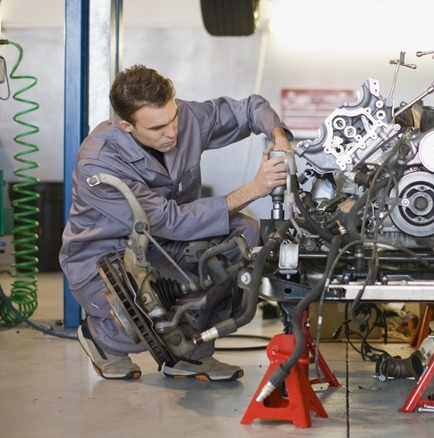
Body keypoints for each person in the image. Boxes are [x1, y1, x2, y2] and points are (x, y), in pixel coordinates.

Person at [59, 65, 293, 381]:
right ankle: (102, 338)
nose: (172, 132)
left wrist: (279, 136)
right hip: (109, 256)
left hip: (169, 245)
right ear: (127, 125)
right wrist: (254, 189)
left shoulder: (182, 118)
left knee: (243, 233)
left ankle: (190, 353)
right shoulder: (99, 160)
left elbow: (249, 109)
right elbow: (167, 220)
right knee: (143, 322)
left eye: (173, 118)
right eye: (157, 128)